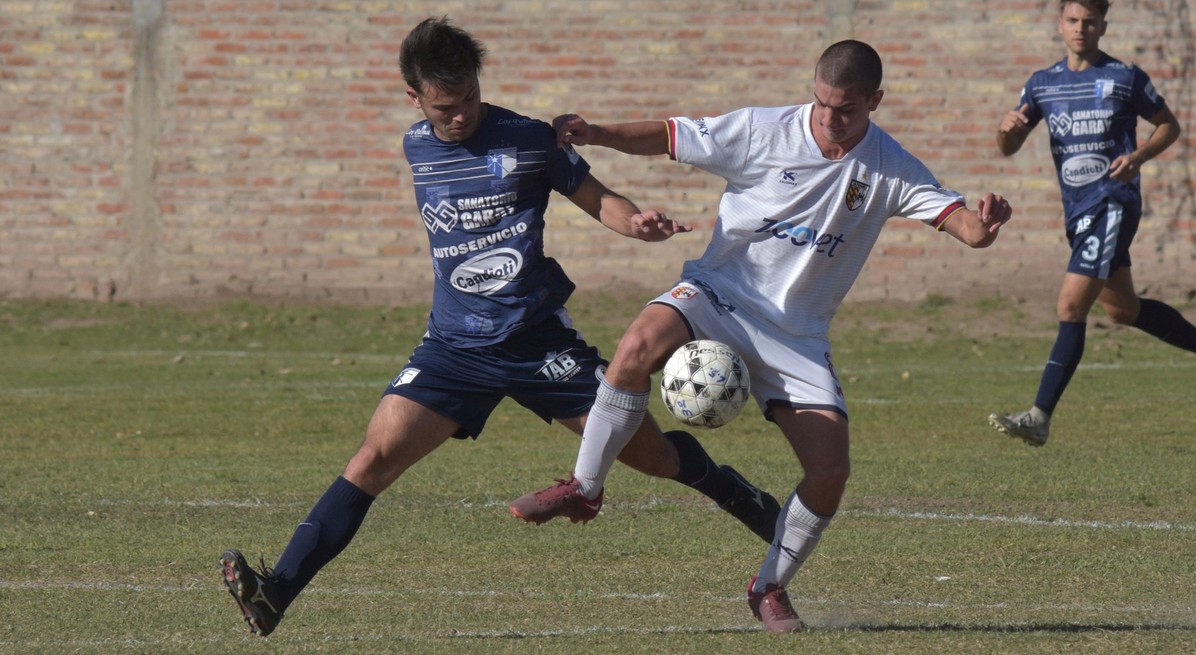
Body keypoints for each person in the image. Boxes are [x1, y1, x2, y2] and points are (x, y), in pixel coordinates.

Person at [217, 16, 781, 637]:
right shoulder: (416, 147)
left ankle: (738, 494)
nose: (461, 114)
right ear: (414, 99)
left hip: (539, 342)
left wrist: (637, 223)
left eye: (470, 98)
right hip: (453, 348)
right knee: (372, 460)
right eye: (445, 106)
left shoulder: (529, 139)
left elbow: (597, 197)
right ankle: (276, 592)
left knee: (652, 456)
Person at [509, 40, 1013, 633]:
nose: (830, 118)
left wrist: (986, 224)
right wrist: (596, 133)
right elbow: (671, 136)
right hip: (717, 295)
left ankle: (769, 587)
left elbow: (965, 228)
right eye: (822, 103)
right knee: (635, 348)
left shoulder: (889, 167)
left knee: (831, 471)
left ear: (875, 101)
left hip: (796, 336)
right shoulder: (763, 130)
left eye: (847, 109)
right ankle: (585, 487)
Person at [988, 0, 1196, 447]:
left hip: (1113, 203)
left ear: (1103, 25)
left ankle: (1039, 417)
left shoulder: (1126, 77)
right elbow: (1009, 146)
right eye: (1072, 20)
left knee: (1070, 306)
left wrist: (1139, 156)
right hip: (1078, 210)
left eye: (1089, 21)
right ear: (1060, 24)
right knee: (1123, 310)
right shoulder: (1042, 84)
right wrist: (1006, 130)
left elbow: (1169, 126)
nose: (1080, 28)